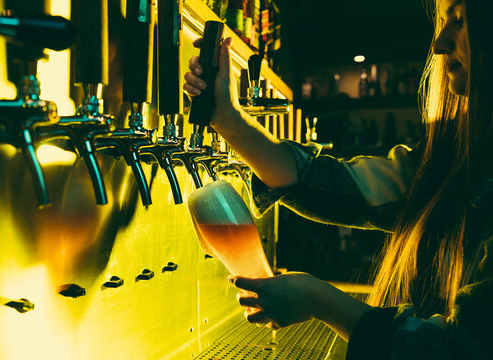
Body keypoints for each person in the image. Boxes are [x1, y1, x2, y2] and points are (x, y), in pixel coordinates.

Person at [184, 0, 493, 358]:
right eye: (442, 22)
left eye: (458, 20)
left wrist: (318, 300)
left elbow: (452, 348)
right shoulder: (459, 156)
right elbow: (336, 183)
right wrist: (228, 120)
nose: (439, 44)